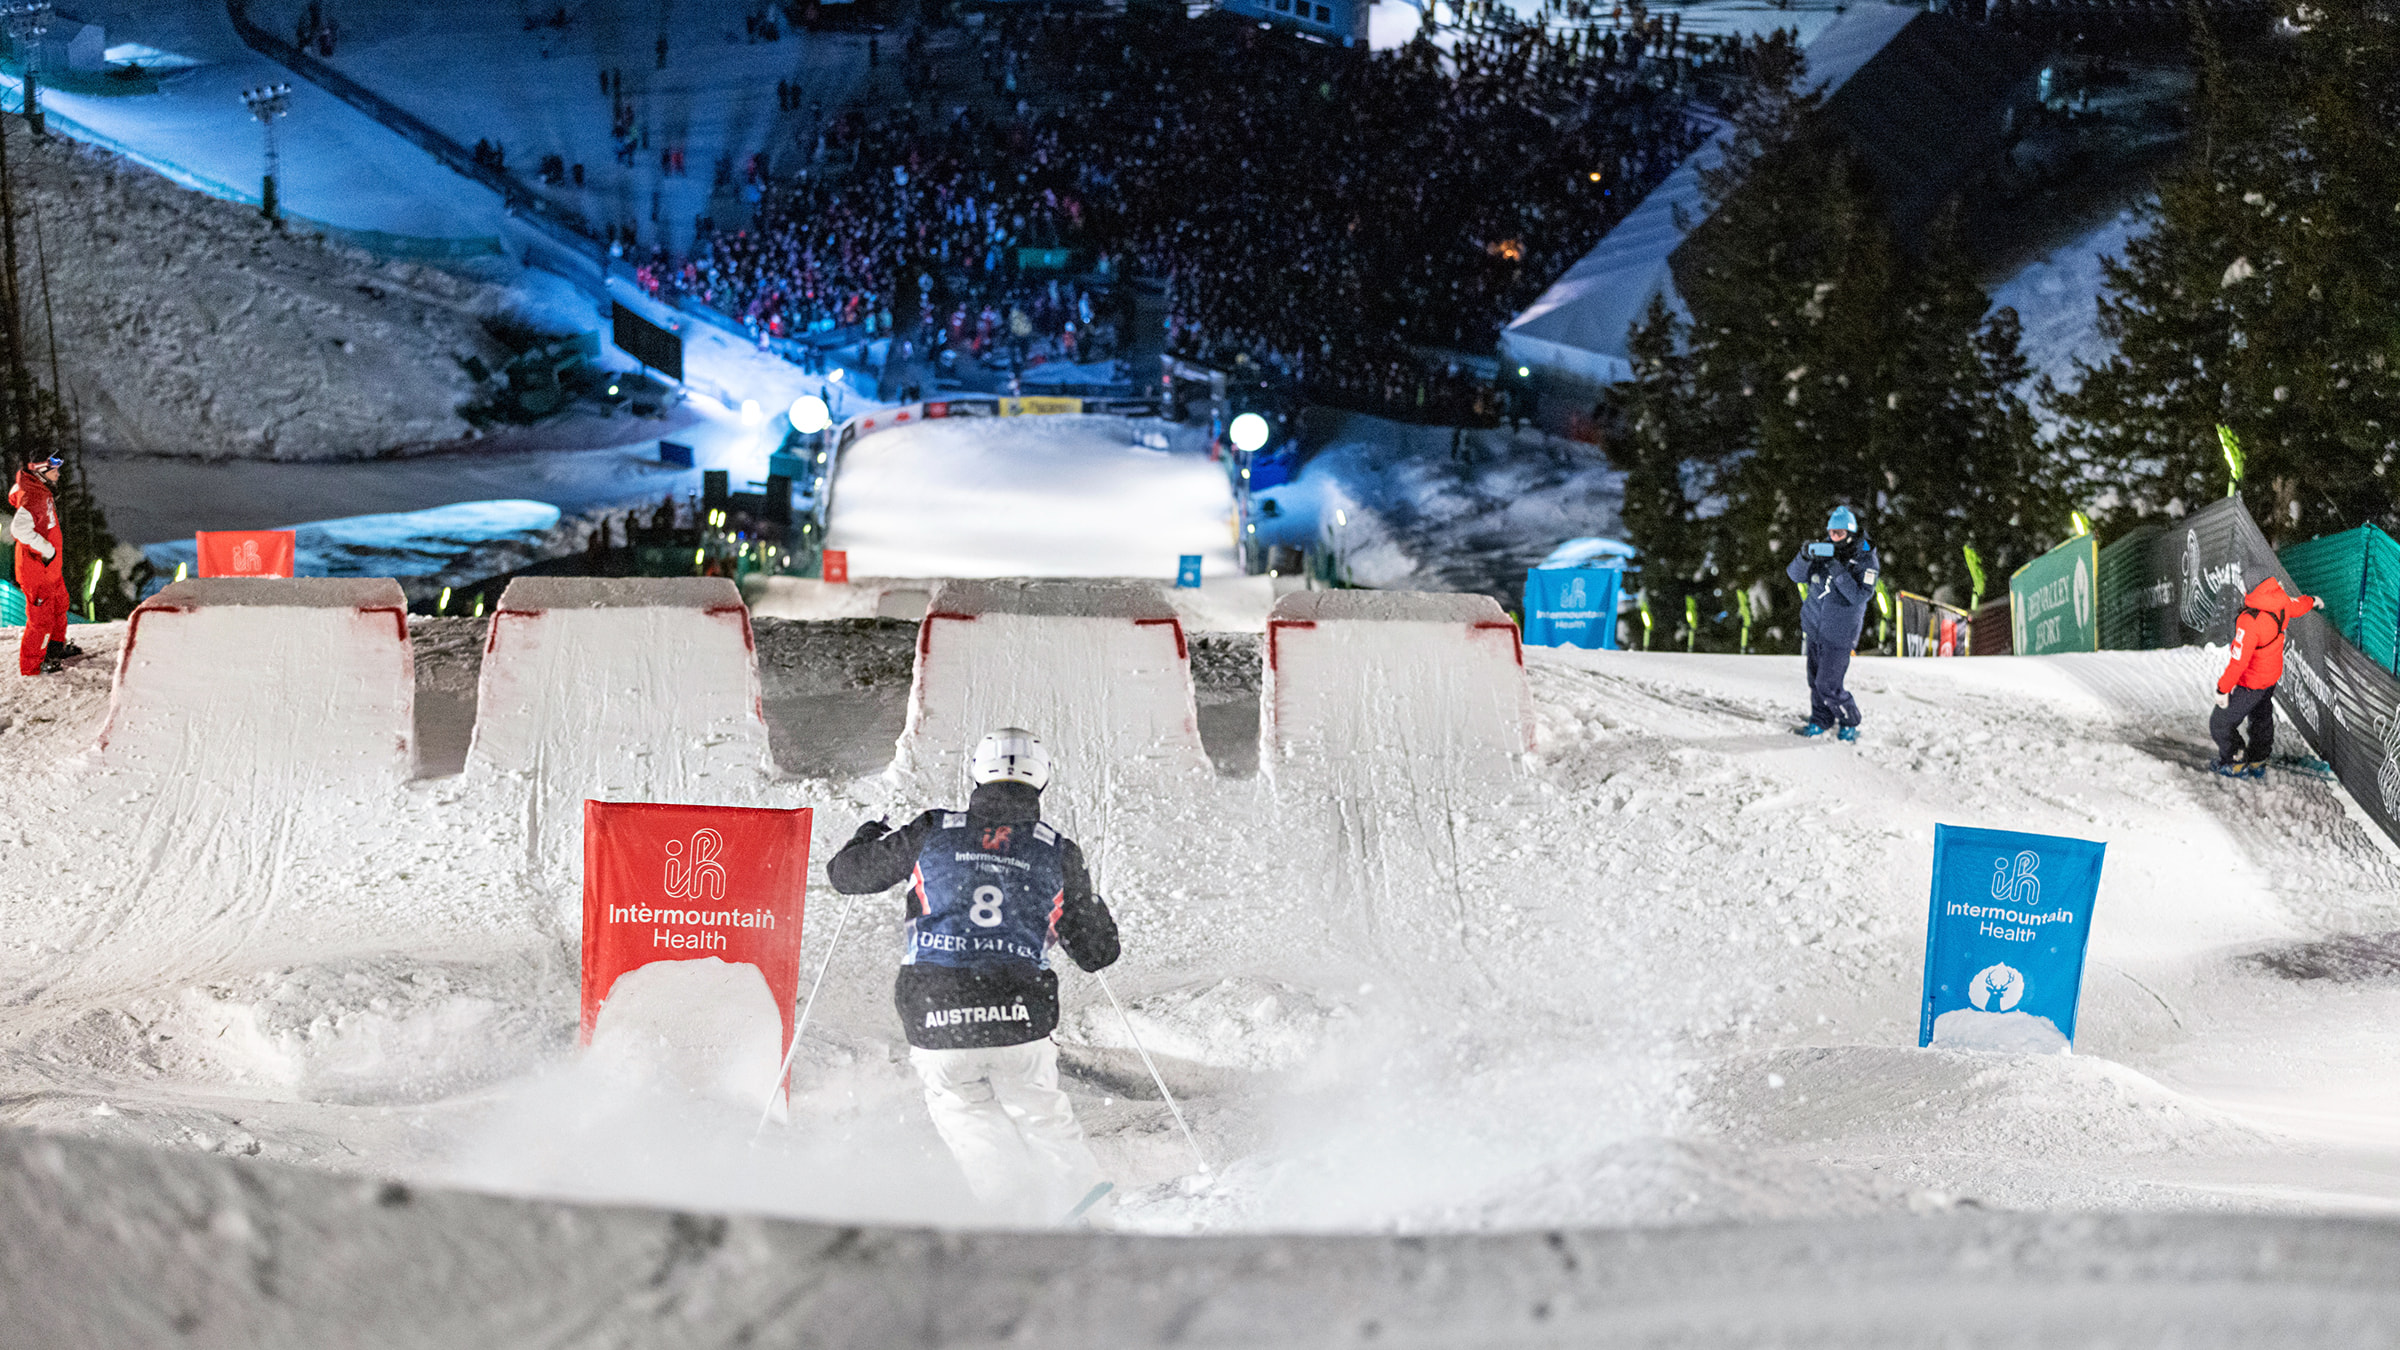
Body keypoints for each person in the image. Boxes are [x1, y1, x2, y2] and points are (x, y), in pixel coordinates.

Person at [825, 727, 1121, 1224]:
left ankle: (1012, 1219)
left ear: (977, 773)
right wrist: (1088, 898)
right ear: (1042, 781)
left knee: (968, 1117)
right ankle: (1090, 1221)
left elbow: (846, 876)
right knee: (1044, 1120)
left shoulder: (934, 828)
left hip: (936, 1010)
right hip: (1019, 1014)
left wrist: (867, 836)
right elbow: (1096, 953)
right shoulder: (1057, 850)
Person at [1785, 504, 1879, 741]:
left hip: (1840, 633)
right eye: (1831, 532)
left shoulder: (1865, 558)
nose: (1834, 537)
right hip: (1815, 627)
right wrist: (1804, 556)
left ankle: (1850, 720)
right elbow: (1795, 575)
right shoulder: (1824, 551)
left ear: (1851, 533)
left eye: (1840, 533)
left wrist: (1837, 570)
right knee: (1814, 682)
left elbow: (1860, 595)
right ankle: (1821, 720)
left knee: (1828, 684)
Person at [2211, 576, 2319, 776]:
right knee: (2261, 715)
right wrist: (2313, 600)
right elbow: (2298, 605)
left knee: (2220, 722)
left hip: (2252, 681)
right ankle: (2258, 758)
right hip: (2270, 677)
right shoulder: (2281, 602)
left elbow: (2239, 661)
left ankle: (2234, 759)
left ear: (2252, 587)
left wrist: (2223, 689)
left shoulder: (2249, 620)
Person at [10, 452, 77, 677]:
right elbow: (18, 529)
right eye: (54, 470)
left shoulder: (39, 491)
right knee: (41, 621)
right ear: (41, 473)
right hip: (36, 571)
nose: (58, 474)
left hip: (49, 570)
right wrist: (47, 550)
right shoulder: (34, 496)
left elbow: (15, 491)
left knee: (59, 606)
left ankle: (53, 651)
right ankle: (32, 667)